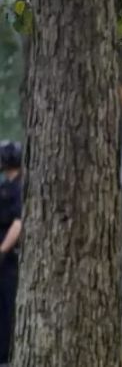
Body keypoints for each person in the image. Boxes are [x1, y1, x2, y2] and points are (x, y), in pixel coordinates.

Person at [0, 142, 22, 366]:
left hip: (8, 261)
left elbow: (18, 222)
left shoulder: (19, 188)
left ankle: (6, 357)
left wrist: (2, 250)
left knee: (7, 308)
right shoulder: (6, 186)